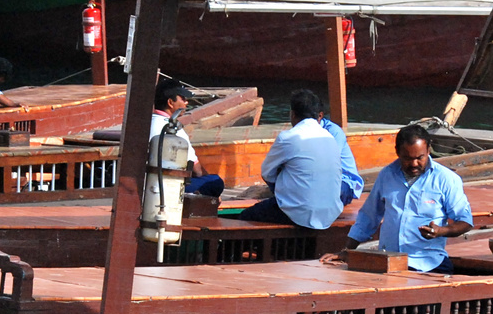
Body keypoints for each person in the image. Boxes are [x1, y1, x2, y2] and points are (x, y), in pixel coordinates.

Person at [334, 123, 472, 272]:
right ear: (397, 152)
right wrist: (347, 251)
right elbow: (368, 217)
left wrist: (440, 231)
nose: (414, 164)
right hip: (388, 263)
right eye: (407, 158)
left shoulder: (446, 179)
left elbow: (465, 221)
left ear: (429, 150)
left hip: (428, 264)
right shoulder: (386, 175)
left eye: (420, 158)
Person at [239, 89, 343, 229]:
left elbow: (267, 173)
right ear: (319, 116)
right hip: (330, 212)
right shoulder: (330, 138)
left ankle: (230, 251)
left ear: (293, 114)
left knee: (245, 217)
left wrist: (282, 188)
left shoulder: (288, 137)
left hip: (299, 213)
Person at [151, 79, 223, 198]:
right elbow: (197, 170)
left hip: (148, 182)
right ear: (170, 102)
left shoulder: (147, 124)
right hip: (169, 186)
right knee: (215, 181)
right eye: (183, 99)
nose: (186, 102)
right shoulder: (174, 130)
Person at [318, 106, 364, 206]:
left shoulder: (333, 132)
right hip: (319, 181)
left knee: (329, 195)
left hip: (343, 180)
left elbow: (329, 162)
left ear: (319, 116)